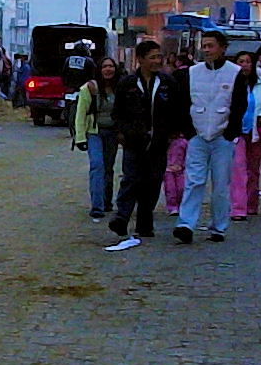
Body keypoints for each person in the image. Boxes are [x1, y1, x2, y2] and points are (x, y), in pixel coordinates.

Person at [172, 31, 248, 244]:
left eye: (210, 46)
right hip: (198, 135)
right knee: (194, 181)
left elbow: (239, 105)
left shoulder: (235, 73)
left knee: (221, 185)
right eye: (204, 46)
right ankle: (186, 224)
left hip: (222, 137)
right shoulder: (192, 73)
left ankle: (219, 227)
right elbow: (184, 103)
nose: (206, 50)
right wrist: (189, 132)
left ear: (222, 48)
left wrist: (230, 133)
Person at [109, 41, 181, 240]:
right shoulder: (127, 83)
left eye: (159, 57)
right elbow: (118, 112)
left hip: (159, 142)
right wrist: (123, 132)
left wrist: (171, 132)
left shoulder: (168, 83)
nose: (157, 61)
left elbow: (177, 109)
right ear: (140, 59)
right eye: (152, 57)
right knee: (130, 179)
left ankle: (144, 223)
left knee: (153, 182)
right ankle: (122, 218)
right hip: (134, 141)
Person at [228, 50, 261, 220]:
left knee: (253, 170)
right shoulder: (230, 84)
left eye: (248, 62)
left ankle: (251, 204)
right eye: (241, 61)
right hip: (237, 132)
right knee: (238, 169)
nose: (244, 65)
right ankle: (238, 207)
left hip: (255, 132)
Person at [74, 56, 121, 220]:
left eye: (111, 66)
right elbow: (81, 114)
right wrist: (80, 138)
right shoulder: (89, 89)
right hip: (94, 132)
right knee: (97, 166)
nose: (108, 69)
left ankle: (106, 201)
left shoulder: (120, 88)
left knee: (108, 167)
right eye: (105, 66)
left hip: (112, 133)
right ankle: (97, 206)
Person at [164, 134, 188, 216]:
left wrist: (184, 165)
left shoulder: (184, 142)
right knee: (170, 189)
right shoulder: (166, 141)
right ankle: (172, 207)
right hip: (168, 169)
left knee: (181, 188)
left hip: (180, 169)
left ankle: (181, 205)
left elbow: (187, 155)